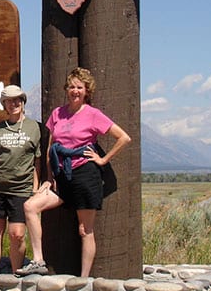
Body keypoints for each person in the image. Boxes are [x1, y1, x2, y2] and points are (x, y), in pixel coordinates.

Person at [17, 68, 130, 278]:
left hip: (84, 176)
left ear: (87, 91)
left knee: (84, 230)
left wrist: (103, 159)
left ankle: (84, 279)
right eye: (71, 87)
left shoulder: (93, 114)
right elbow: (51, 147)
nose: (75, 91)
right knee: (30, 206)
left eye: (79, 87)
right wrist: (49, 178)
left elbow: (124, 137)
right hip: (61, 178)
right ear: (66, 89)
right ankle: (38, 260)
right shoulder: (57, 114)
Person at [0, 85, 41, 274]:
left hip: (21, 189)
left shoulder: (34, 127)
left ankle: (16, 273)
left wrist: (35, 188)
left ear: (23, 102)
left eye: (17, 100)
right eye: (9, 101)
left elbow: (38, 161)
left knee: (17, 234)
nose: (14, 104)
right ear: (4, 104)